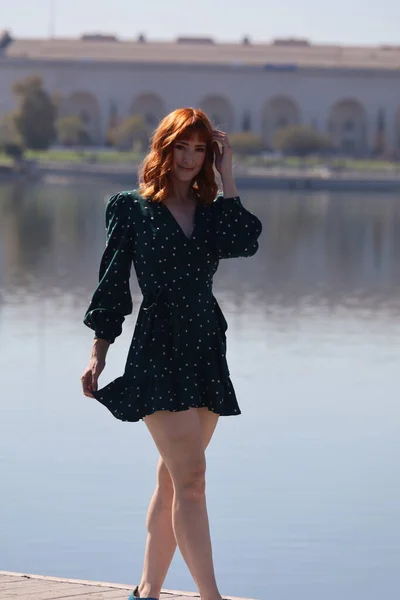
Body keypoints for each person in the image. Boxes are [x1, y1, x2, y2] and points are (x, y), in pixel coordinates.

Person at [81, 107, 262, 600]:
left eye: (199, 149)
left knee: (173, 480)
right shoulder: (131, 207)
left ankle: (148, 592)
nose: (189, 158)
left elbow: (246, 241)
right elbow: (112, 284)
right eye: (181, 147)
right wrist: (99, 351)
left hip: (205, 343)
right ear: (165, 147)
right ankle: (212, 597)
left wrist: (227, 177)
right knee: (194, 478)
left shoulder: (210, 210)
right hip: (158, 346)